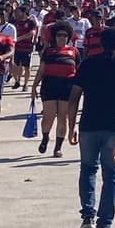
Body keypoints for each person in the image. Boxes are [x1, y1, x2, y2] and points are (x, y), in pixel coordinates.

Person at [68, 28, 115, 228]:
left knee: (88, 169)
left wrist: (71, 126)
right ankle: (104, 224)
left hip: (89, 124)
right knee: (111, 175)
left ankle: (88, 215)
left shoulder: (88, 64)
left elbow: (74, 97)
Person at [32, 21, 81, 157]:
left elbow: (79, 71)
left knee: (62, 118)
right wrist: (34, 86)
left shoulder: (74, 52)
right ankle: (45, 137)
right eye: (59, 35)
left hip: (67, 87)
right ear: (54, 37)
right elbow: (41, 71)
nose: (62, 38)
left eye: (65, 35)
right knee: (48, 116)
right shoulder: (48, 52)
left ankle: (58, 147)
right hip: (49, 85)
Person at [11, 6, 37, 91]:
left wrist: (19, 38)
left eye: (18, 12)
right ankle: (17, 81)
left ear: (23, 12)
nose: (16, 14)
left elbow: (31, 33)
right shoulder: (16, 22)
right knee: (16, 65)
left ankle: (25, 84)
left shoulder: (31, 22)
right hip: (17, 48)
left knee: (27, 67)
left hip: (27, 48)